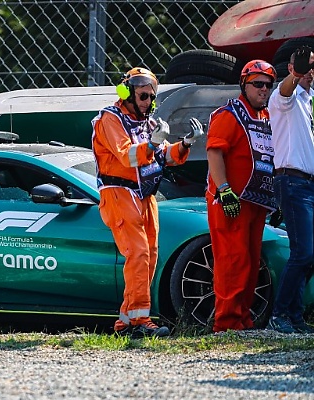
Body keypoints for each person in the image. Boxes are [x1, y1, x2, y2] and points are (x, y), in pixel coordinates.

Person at [91, 67, 203, 337]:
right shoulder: (110, 118)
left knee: (150, 255)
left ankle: (129, 321)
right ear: (126, 93)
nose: (148, 102)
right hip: (119, 191)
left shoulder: (147, 122)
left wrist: (185, 144)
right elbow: (127, 157)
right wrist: (151, 145)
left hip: (145, 194)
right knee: (139, 253)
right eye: (143, 96)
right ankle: (139, 322)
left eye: (151, 97)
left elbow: (164, 156)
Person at [206, 60, 279, 333]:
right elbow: (215, 152)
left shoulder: (265, 117)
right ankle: (225, 324)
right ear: (244, 85)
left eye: (268, 85)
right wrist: (224, 190)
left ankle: (242, 320)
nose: (264, 90)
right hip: (231, 200)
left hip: (256, 201)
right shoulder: (229, 115)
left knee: (250, 261)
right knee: (232, 260)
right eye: (257, 84)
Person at [267, 46, 314, 334]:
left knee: (310, 253)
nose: (310, 71)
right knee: (304, 252)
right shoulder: (284, 98)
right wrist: (295, 74)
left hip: (308, 182)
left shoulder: (310, 101)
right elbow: (285, 90)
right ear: (293, 68)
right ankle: (280, 313)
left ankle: (294, 316)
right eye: (305, 65)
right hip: (293, 181)